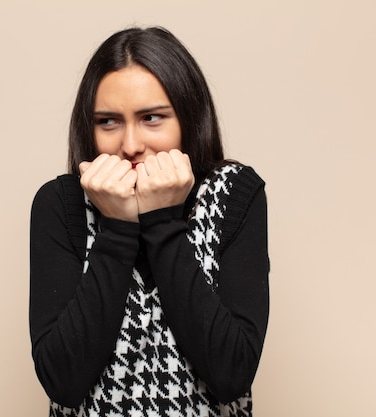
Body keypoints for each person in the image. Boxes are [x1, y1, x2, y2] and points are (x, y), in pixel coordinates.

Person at [30, 26, 269, 417]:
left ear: (188, 119)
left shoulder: (234, 196)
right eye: (108, 122)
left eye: (152, 118)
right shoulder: (60, 204)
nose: (130, 145)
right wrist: (118, 226)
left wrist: (161, 221)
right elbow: (63, 383)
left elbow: (231, 375)